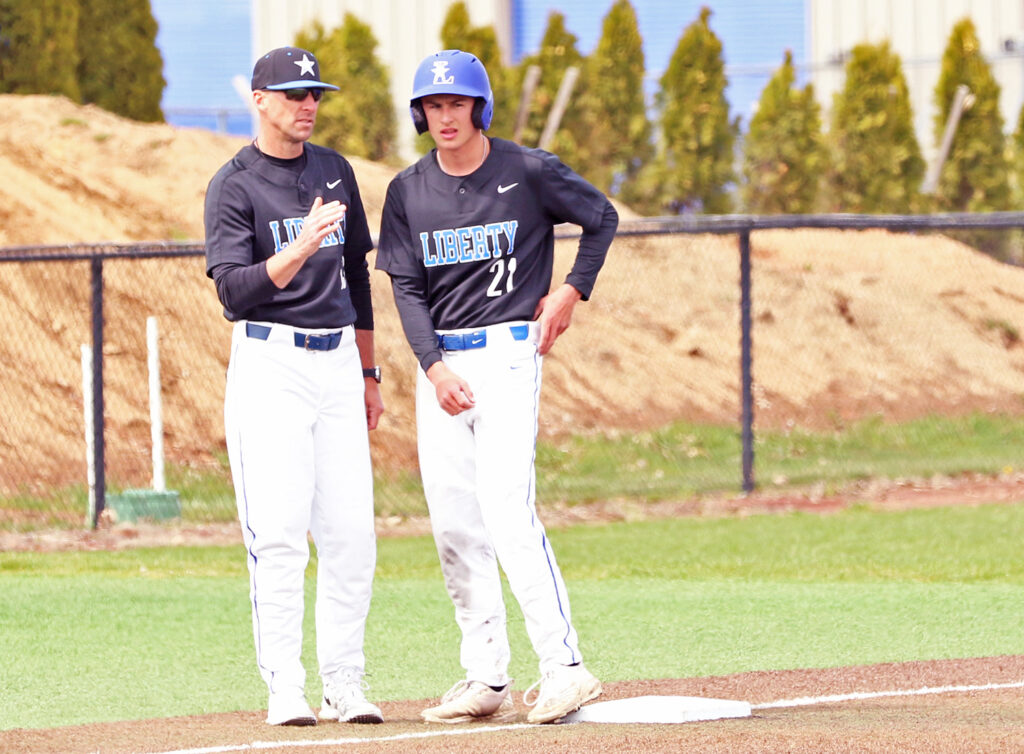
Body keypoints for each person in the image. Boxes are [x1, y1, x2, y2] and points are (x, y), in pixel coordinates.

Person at [376, 49, 618, 725]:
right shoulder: (408, 190)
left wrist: (572, 290)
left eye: (456, 103)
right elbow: (406, 286)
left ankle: (566, 667)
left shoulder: (527, 170)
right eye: (433, 105)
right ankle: (485, 677)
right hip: (443, 369)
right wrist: (432, 366)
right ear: (421, 114)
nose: (444, 116)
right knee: (455, 523)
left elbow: (600, 218)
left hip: (509, 355)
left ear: (478, 107)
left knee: (507, 510)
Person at [203, 46, 384, 727]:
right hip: (270, 362)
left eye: (315, 93)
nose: (308, 104)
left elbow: (359, 278)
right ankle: (286, 685)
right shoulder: (234, 184)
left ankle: (346, 681)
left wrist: (368, 371)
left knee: (350, 535)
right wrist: (302, 245)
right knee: (278, 534)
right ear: (260, 99)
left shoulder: (334, 170)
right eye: (293, 92)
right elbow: (233, 291)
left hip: (337, 362)